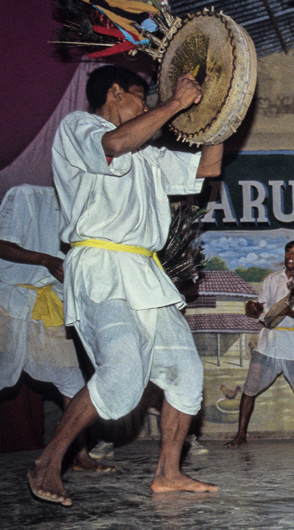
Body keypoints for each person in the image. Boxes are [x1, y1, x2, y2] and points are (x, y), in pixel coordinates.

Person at [30, 65, 220, 506]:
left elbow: (208, 166)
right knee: (121, 372)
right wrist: (174, 103)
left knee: (187, 376)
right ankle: (49, 461)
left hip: (145, 273)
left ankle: (168, 472)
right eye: (141, 97)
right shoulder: (79, 127)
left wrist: (218, 113)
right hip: (99, 263)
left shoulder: (149, 154)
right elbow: (114, 144)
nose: (149, 107)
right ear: (115, 92)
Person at [0, 185, 112, 474]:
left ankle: (80, 455)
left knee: (73, 382)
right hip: (6, 300)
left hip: (48, 303)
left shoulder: (87, 212)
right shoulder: (26, 195)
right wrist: (45, 260)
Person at [225, 240, 294, 447]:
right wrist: (252, 309)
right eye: (288, 251)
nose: (290, 255)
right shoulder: (272, 279)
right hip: (268, 344)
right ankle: (241, 436)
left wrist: (288, 310)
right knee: (249, 388)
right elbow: (261, 311)